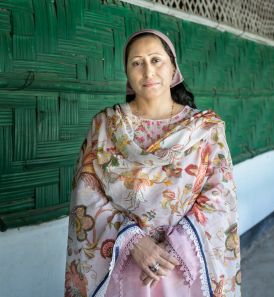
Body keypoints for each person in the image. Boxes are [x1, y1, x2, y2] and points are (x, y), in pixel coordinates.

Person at [64, 29, 241, 297]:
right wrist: (134, 241)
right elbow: (85, 193)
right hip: (121, 264)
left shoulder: (205, 129)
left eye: (156, 60)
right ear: (127, 73)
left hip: (183, 267)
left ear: (173, 68)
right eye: (137, 62)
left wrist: (175, 247)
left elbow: (220, 194)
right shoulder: (105, 126)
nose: (148, 71)